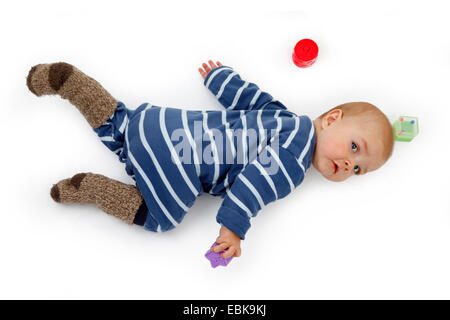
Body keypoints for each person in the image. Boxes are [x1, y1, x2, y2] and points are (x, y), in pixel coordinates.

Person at [26, 60, 394, 260]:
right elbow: (253, 185)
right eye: (354, 148)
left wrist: (220, 77)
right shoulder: (293, 162)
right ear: (332, 119)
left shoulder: (284, 116)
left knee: (124, 126)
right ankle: (92, 189)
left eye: (358, 169)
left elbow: (250, 98)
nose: (348, 165)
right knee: (160, 220)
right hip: (182, 165)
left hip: (167, 125)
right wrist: (233, 229)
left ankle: (72, 84)